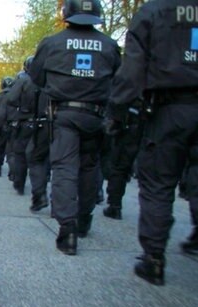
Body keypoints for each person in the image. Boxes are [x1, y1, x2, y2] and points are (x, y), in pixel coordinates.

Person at [106, 0, 198, 307]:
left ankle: (153, 260)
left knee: (157, 185)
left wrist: (117, 110)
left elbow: (133, 67)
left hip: (169, 110)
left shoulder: (155, 10)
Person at [30, 0, 121, 255]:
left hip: (64, 113)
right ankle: (84, 219)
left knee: (64, 168)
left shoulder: (52, 43)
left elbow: (36, 78)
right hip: (95, 115)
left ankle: (68, 229)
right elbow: (119, 78)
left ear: (66, 14)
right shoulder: (110, 45)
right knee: (89, 167)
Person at [7, 56, 39, 195]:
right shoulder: (47, 81)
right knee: (40, 157)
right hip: (43, 122)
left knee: (20, 154)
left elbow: (11, 98)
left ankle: (19, 184)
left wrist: (21, 106)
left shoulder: (23, 81)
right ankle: (39, 192)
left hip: (25, 121)